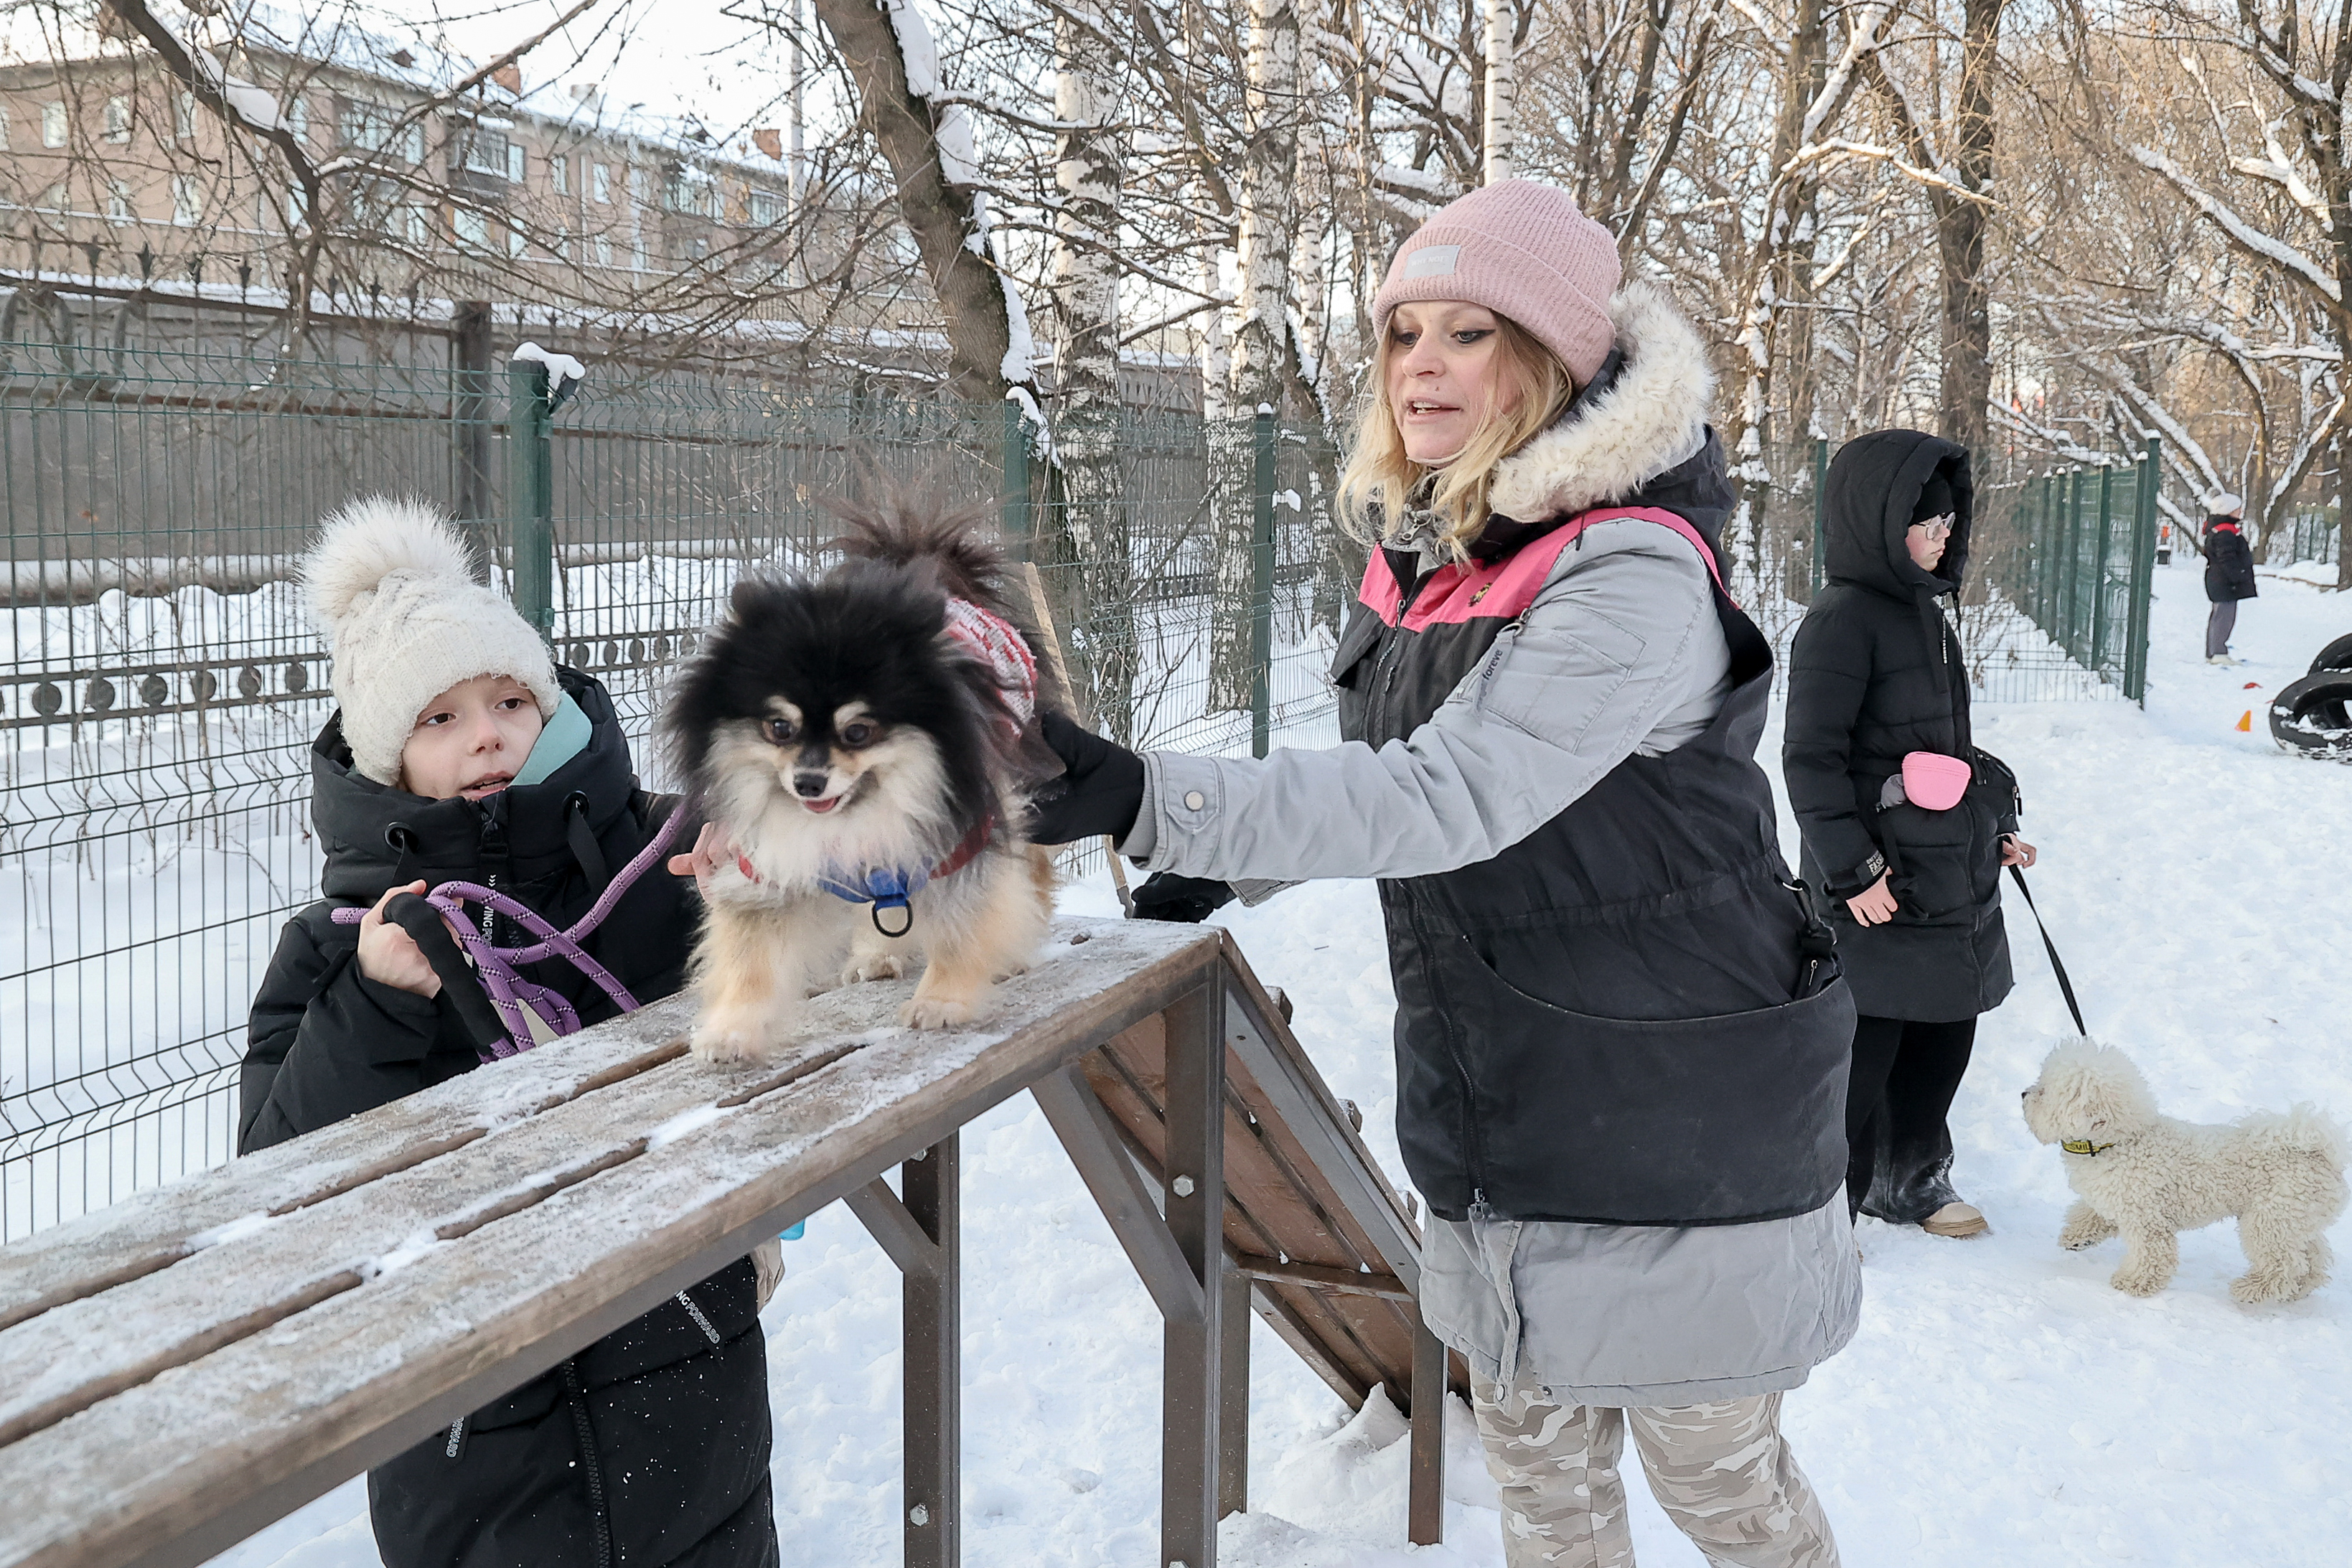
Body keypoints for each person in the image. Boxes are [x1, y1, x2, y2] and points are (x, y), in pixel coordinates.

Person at [1032, 181, 1855, 1568]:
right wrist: (1234, 868)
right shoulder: (1434, 556)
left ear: (1552, 366)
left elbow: (1454, 792)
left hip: (1680, 1108)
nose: (1421, 362)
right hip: (1508, 1090)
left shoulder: (1629, 572)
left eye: (1469, 332)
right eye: (1403, 330)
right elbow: (1414, 762)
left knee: (1721, 1490)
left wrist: (1156, 800)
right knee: (1543, 1488)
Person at [242, 498, 779, 1568]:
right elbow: (273, 1175)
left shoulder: (659, 864)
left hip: (688, 1364)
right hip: (463, 1417)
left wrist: (757, 906)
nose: (486, 731)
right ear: (388, 763)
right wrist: (379, 1005)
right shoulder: (341, 946)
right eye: (438, 719)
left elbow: (776, 1031)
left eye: (507, 700)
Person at [1781, 432, 2037, 1240]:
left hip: (1943, 871)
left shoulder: (1926, 614)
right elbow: (1810, 761)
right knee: (1869, 1045)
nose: (1943, 537)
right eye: (1927, 525)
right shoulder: (1840, 622)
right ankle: (1832, 1203)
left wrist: (1993, 824)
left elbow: (1941, 751)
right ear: (1878, 520)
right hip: (1876, 880)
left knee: (1945, 1029)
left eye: (1948, 524)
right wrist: (1852, 872)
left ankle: (1914, 1179)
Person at [2203, 494, 2257, 664]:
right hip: (2225, 582)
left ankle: (2214, 651)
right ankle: (2218, 652)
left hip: (2220, 580)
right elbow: (2226, 558)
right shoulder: (2226, 532)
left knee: (2219, 616)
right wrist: (2238, 576)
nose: (2240, 511)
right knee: (2224, 617)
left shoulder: (2220, 529)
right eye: (2237, 508)